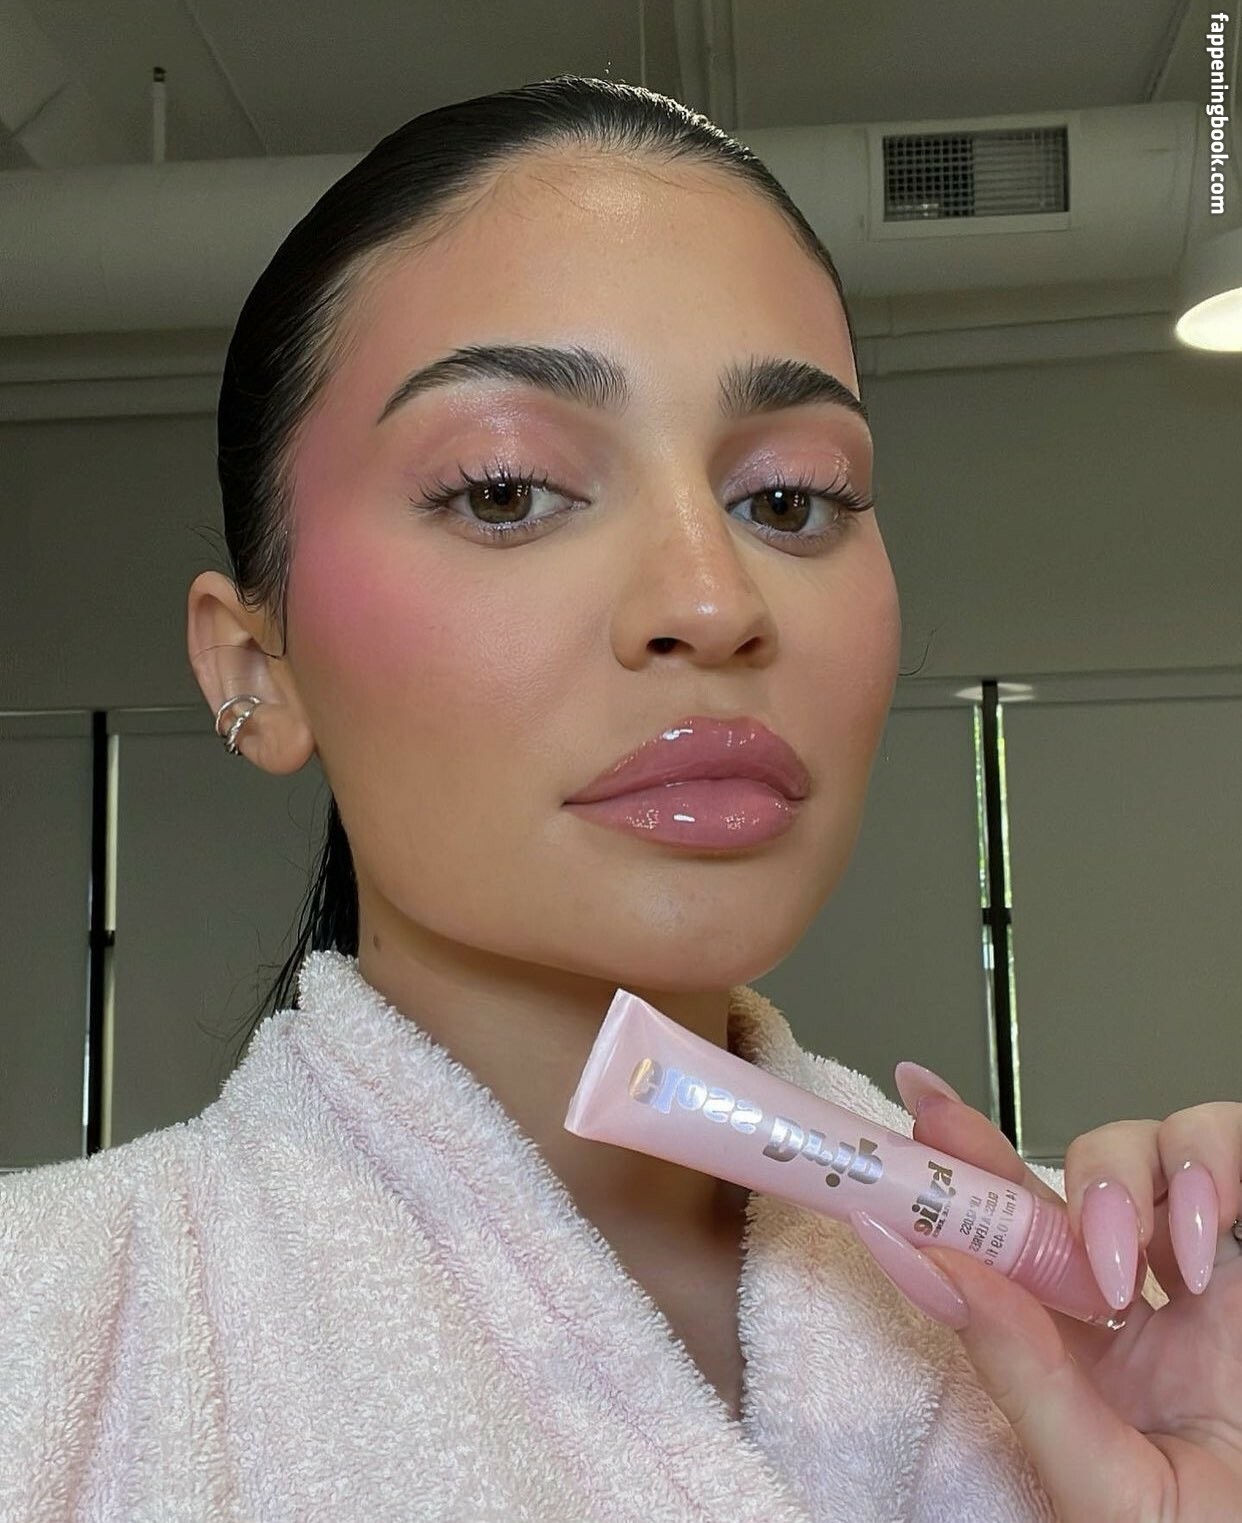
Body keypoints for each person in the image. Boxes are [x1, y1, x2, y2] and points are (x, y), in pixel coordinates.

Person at [2, 74, 1240, 1522]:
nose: (712, 602)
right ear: (255, 666)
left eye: (788, 499)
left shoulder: (1098, 1325)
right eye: (506, 489)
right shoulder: (47, 1341)